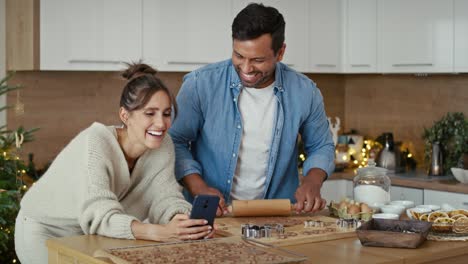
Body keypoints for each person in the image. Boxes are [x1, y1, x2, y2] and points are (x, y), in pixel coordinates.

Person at [15, 63, 214, 264]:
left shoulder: (164, 144)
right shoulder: (97, 142)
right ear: (125, 115)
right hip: (44, 230)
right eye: (150, 113)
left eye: (166, 113)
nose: (161, 124)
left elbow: (165, 196)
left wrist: (181, 219)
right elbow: (99, 215)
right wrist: (158, 232)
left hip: (88, 235)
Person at [169, 3, 335, 216]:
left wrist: (313, 181)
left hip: (277, 216)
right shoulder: (200, 85)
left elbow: (321, 145)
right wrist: (198, 187)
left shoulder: (305, 92)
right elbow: (174, 141)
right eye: (239, 56)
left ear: (280, 52)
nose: (246, 69)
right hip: (212, 213)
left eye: (257, 60)